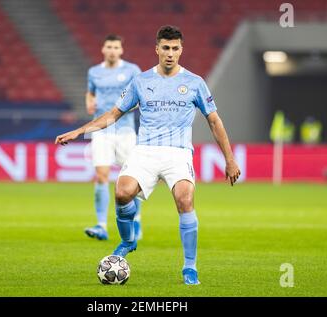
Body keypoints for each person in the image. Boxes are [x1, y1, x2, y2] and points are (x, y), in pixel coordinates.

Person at [56, 25, 241, 285]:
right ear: (157, 49)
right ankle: (129, 240)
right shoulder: (141, 81)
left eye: (175, 48)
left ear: (181, 50)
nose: (170, 53)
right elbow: (112, 115)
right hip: (146, 150)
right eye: (165, 48)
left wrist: (230, 159)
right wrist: (79, 131)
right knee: (121, 193)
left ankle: (190, 267)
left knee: (185, 200)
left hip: (178, 153)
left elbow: (214, 121)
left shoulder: (195, 82)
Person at [84, 34, 142, 241]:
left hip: (125, 130)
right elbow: (90, 93)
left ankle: (136, 220)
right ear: (103, 49)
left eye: (115, 47)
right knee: (101, 175)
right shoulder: (94, 72)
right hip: (101, 130)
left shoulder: (132, 70)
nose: (112, 50)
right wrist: (89, 102)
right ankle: (101, 225)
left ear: (121, 50)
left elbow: (141, 95)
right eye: (108, 46)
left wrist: (128, 107)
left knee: (132, 178)